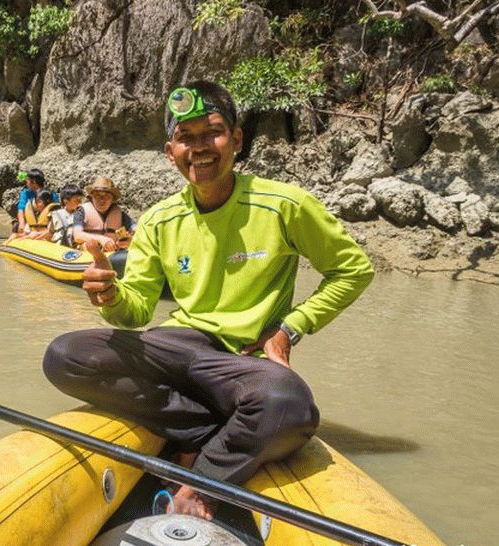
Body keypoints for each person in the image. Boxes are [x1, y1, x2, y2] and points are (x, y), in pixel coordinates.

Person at [42, 81, 375, 520]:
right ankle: (208, 429)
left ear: (236, 140)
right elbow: (137, 309)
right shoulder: (161, 218)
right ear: (170, 151)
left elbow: (353, 269)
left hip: (240, 359)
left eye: (212, 133)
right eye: (186, 138)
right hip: (177, 344)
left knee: (288, 402)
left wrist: (289, 329)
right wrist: (109, 295)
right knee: (65, 356)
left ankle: (200, 485)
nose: (199, 147)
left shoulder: (285, 204)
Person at [72, 177, 136, 251]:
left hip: (112, 255)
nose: (102, 200)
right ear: (91, 197)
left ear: (113, 200)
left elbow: (138, 230)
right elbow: (77, 235)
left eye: (107, 197)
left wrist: (130, 240)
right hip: (88, 254)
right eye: (97, 196)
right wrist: (100, 239)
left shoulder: (121, 214)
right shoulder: (81, 211)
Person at [14, 169, 58, 233]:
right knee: (16, 225)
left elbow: (56, 211)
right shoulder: (25, 193)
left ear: (34, 182)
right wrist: (22, 223)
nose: (26, 182)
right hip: (30, 224)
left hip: (47, 224)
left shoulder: (51, 194)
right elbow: (21, 208)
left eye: (27, 180)